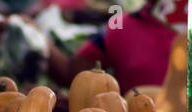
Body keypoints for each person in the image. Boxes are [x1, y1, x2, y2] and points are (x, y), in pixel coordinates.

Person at [46, 0, 187, 95]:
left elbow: (71, 73)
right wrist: (38, 39)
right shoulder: (121, 25)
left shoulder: (121, 25)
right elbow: (74, 75)